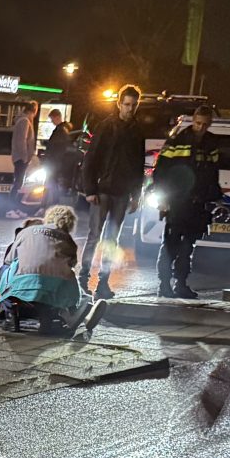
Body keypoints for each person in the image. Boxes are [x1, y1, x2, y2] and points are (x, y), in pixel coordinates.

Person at [151, 102, 222, 299]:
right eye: (199, 123)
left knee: (188, 245)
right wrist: (163, 197)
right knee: (171, 243)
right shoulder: (178, 139)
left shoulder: (211, 143)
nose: (201, 128)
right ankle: (164, 284)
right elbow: (161, 171)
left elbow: (212, 173)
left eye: (206, 125)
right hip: (176, 201)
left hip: (197, 202)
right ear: (193, 121)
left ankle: (181, 284)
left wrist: (215, 199)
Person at [82, 85, 146, 298]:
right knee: (94, 236)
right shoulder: (106, 127)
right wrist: (90, 188)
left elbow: (138, 166)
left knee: (112, 240)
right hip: (103, 190)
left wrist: (136, 196)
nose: (130, 109)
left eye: (134, 105)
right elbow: (91, 158)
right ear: (119, 104)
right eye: (127, 104)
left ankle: (102, 284)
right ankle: (83, 278)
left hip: (121, 192)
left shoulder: (137, 131)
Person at [0, 204, 83, 335]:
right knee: (67, 275)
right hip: (54, 288)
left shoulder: (26, 231)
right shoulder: (68, 239)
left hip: (23, 281)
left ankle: (10, 315)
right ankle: (56, 316)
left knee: (5, 268)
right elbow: (73, 263)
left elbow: (9, 259)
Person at [40, 108, 78, 205]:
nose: (52, 121)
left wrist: (48, 148)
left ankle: (51, 205)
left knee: (51, 185)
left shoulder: (60, 130)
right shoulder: (64, 129)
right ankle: (50, 204)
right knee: (52, 184)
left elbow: (56, 147)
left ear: (57, 117)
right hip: (57, 163)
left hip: (54, 163)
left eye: (52, 119)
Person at [8, 104, 38, 216]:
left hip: (19, 157)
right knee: (18, 184)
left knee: (19, 184)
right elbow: (22, 140)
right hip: (21, 158)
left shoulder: (22, 120)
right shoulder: (25, 121)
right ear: (32, 111)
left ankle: (15, 208)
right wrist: (25, 157)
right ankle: (11, 209)